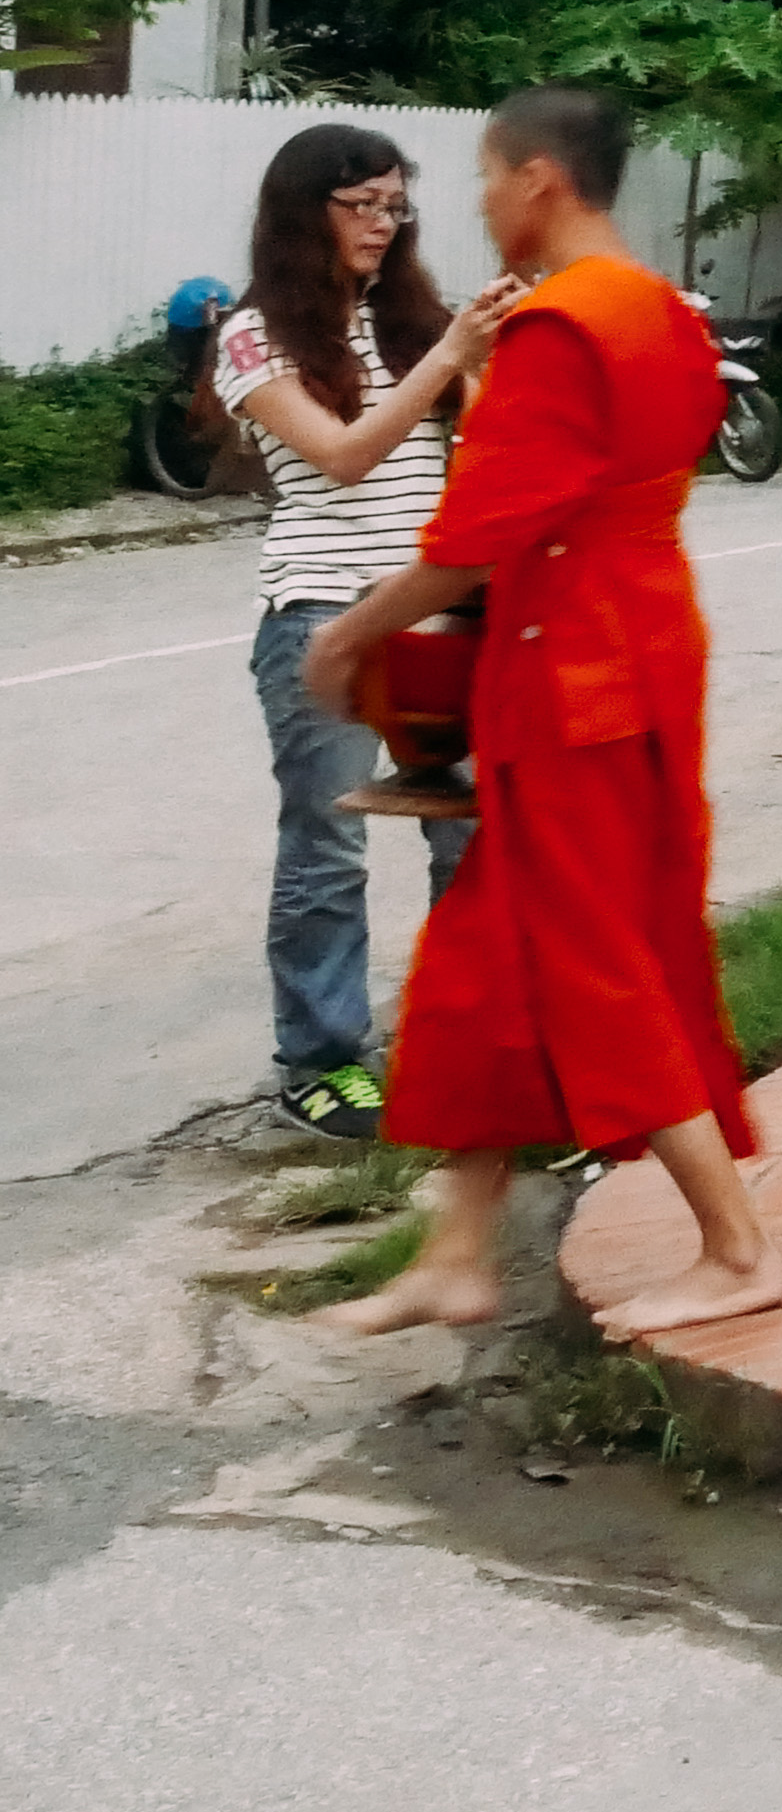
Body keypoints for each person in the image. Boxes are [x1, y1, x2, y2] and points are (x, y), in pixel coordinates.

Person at [308, 87, 782, 1341]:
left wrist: (351, 631)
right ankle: (456, 1252)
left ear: (537, 180)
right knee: (487, 965)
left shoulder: (565, 325)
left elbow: (473, 541)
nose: (473, 202)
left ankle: (737, 1249)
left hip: (570, 664)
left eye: (481, 176)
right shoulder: (665, 312)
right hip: (630, 645)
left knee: (593, 962)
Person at [208, 126, 522, 1138]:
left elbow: (489, 438)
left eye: (397, 205)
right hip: (320, 615)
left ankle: (463, 1038)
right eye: (364, 205)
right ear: (308, 209)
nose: (386, 225)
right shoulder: (252, 336)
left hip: (436, 617)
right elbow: (341, 457)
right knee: (328, 846)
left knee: (466, 831)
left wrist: (494, 354)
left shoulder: (412, 324)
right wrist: (448, 355)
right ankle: (322, 1060)